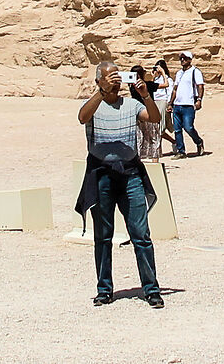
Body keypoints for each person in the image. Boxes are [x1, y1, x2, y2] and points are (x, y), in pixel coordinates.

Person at [74, 63, 165, 308]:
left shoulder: (131, 104)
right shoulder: (94, 104)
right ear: (99, 80)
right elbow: (82, 117)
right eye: (109, 76)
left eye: (117, 75)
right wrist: (101, 93)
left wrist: (145, 95)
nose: (115, 80)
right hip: (101, 173)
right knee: (103, 236)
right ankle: (104, 290)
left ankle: (151, 289)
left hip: (129, 173)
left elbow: (154, 119)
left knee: (141, 234)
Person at [169, 51, 208, 157]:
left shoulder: (195, 71)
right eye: (181, 58)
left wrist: (199, 99)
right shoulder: (179, 73)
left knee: (188, 127)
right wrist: (170, 103)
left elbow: (200, 86)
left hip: (188, 104)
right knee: (177, 130)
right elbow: (175, 89)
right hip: (177, 105)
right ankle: (181, 151)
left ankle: (198, 142)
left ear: (190, 60)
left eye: (185, 58)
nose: (182, 60)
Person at [147, 59, 176, 159]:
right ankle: (169, 144)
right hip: (155, 102)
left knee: (160, 128)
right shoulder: (155, 80)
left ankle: (161, 148)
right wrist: (153, 76)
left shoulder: (168, 79)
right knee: (155, 127)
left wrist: (169, 104)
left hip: (163, 102)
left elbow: (170, 90)